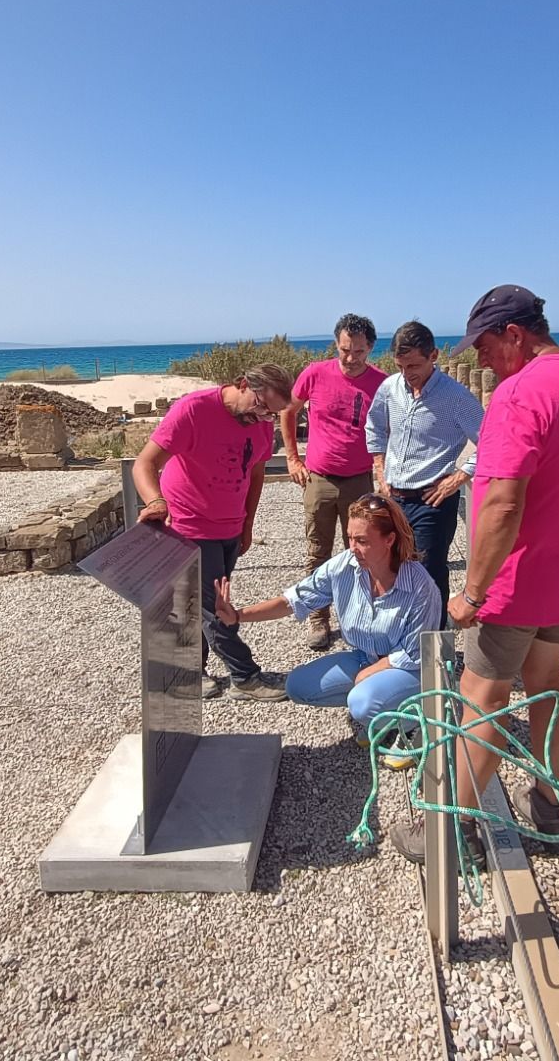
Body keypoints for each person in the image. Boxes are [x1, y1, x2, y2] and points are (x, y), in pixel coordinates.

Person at [390, 285, 559, 864]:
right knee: (546, 683)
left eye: (487, 346)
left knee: (482, 695)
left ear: (515, 334)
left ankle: (451, 831)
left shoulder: (520, 394)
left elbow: (500, 505)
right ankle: (549, 801)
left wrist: (472, 591)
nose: (480, 360)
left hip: (517, 578)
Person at [213, 494, 440, 747]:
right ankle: (379, 713)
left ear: (389, 540)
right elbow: (294, 599)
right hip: (366, 656)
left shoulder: (420, 587)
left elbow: (415, 654)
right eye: (350, 538)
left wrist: (368, 675)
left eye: (362, 541)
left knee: (361, 701)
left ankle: (414, 721)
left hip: (411, 669)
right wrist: (238, 615)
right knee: (298, 686)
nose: (352, 548)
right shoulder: (344, 566)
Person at [132, 363, 294, 702]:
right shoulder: (194, 410)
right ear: (243, 384)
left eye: (272, 414)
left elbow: (256, 474)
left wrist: (247, 524)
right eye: (261, 406)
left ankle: (190, 672)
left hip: (229, 528)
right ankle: (245, 677)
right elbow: (145, 463)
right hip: (189, 525)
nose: (264, 417)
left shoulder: (261, 426)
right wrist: (156, 501)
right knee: (214, 609)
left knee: (202, 605)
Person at [365, 320, 483, 626]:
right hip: (393, 498)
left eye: (414, 364)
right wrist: (379, 469)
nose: (408, 373)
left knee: (429, 574)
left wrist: (460, 476)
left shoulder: (456, 397)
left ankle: (433, 648)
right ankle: (400, 638)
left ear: (434, 356)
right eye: (401, 365)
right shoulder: (390, 388)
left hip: (433, 500)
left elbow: (493, 442)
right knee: (390, 567)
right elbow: (374, 427)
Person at [281, 313, 387, 651]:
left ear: (370, 348)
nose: (351, 359)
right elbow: (288, 409)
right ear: (336, 345)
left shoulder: (381, 383)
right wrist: (292, 457)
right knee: (318, 551)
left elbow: (392, 427)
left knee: (361, 552)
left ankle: (357, 617)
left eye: (358, 351)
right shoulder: (315, 373)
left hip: (359, 479)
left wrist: (384, 470)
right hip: (320, 477)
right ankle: (318, 617)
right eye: (344, 350)